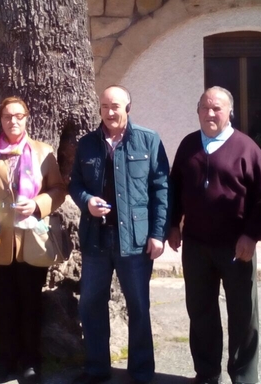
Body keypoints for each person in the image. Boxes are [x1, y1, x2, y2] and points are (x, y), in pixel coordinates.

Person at [69, 85, 170, 384]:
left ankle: (141, 371)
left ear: (128, 107)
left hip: (135, 240)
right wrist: (87, 200)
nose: (110, 112)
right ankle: (97, 368)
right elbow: (75, 183)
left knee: (138, 305)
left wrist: (158, 234)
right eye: (104, 106)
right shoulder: (87, 144)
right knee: (90, 304)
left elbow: (162, 189)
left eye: (115, 106)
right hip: (96, 238)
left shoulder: (148, 140)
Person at [167, 86, 261, 384]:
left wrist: (251, 235)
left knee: (243, 315)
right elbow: (174, 187)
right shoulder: (188, 145)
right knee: (200, 312)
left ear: (230, 112)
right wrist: (173, 225)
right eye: (205, 108)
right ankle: (208, 373)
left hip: (236, 246)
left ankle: (244, 377)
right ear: (197, 111)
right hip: (196, 245)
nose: (210, 113)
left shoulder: (247, 148)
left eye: (217, 108)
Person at [0, 96, 65, 384]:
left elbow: (58, 190)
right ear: (0, 120)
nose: (13, 121)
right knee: (4, 304)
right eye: (7, 116)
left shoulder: (43, 152)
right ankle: (6, 360)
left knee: (31, 304)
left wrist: (37, 204)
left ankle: (31, 361)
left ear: (27, 118)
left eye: (18, 115)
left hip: (31, 241)